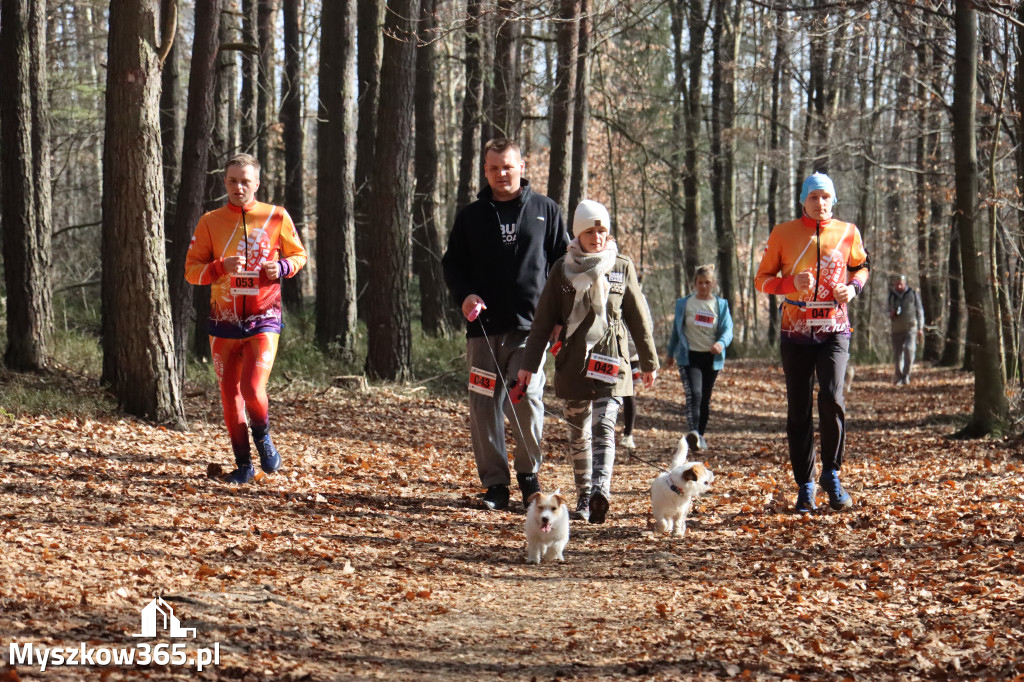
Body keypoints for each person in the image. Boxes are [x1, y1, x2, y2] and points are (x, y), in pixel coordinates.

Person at [441, 138, 569, 511]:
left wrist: (560, 317)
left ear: (521, 167)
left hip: (532, 329)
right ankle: (496, 484)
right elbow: (453, 265)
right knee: (483, 406)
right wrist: (465, 295)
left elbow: (563, 265)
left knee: (525, 398)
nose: (501, 174)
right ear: (486, 171)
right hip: (483, 330)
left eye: (508, 166)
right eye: (494, 168)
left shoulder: (545, 210)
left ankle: (529, 476)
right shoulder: (471, 216)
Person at [517, 200, 659, 524]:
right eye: (590, 232)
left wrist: (648, 361)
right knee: (579, 433)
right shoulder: (562, 270)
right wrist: (528, 365)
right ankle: (584, 495)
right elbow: (542, 322)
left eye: (602, 231)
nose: (597, 237)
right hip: (573, 363)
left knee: (604, 426)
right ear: (578, 235)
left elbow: (638, 317)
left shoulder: (620, 266)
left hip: (612, 362)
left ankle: (600, 492)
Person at [184, 153, 307, 484]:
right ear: (225, 182)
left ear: (257, 184)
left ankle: (263, 437)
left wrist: (281, 267)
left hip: (263, 318)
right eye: (232, 181)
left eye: (245, 181)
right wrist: (219, 267)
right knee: (230, 397)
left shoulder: (276, 216)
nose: (238, 187)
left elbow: (299, 256)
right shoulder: (210, 221)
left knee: (252, 388)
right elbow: (191, 272)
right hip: (223, 322)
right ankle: (243, 465)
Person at [754, 172, 869, 513]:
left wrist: (853, 288)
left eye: (826, 197)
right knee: (799, 407)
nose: (820, 203)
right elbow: (761, 281)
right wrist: (790, 283)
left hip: (835, 328)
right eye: (814, 197)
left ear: (833, 200)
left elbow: (862, 267)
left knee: (831, 397)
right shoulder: (783, 233)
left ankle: (831, 475)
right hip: (796, 330)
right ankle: (805, 484)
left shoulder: (848, 232)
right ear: (803, 201)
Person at [665, 264, 734, 450]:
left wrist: (721, 343)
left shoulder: (720, 305)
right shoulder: (685, 303)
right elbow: (676, 330)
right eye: (700, 282)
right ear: (694, 284)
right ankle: (693, 433)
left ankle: (700, 436)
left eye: (707, 282)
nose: (704, 286)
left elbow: (728, 330)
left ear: (714, 283)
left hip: (712, 357)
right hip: (689, 357)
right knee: (694, 394)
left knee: (705, 398)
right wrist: (670, 353)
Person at [887, 274, 924, 385]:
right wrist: (890, 313)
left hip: (911, 328)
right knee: (897, 354)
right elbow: (886, 310)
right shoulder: (891, 296)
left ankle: (906, 375)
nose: (899, 286)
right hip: (896, 329)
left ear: (905, 283)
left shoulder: (912, 294)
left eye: (901, 284)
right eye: (896, 284)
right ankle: (899, 376)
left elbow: (919, 311)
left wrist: (920, 327)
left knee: (909, 350)